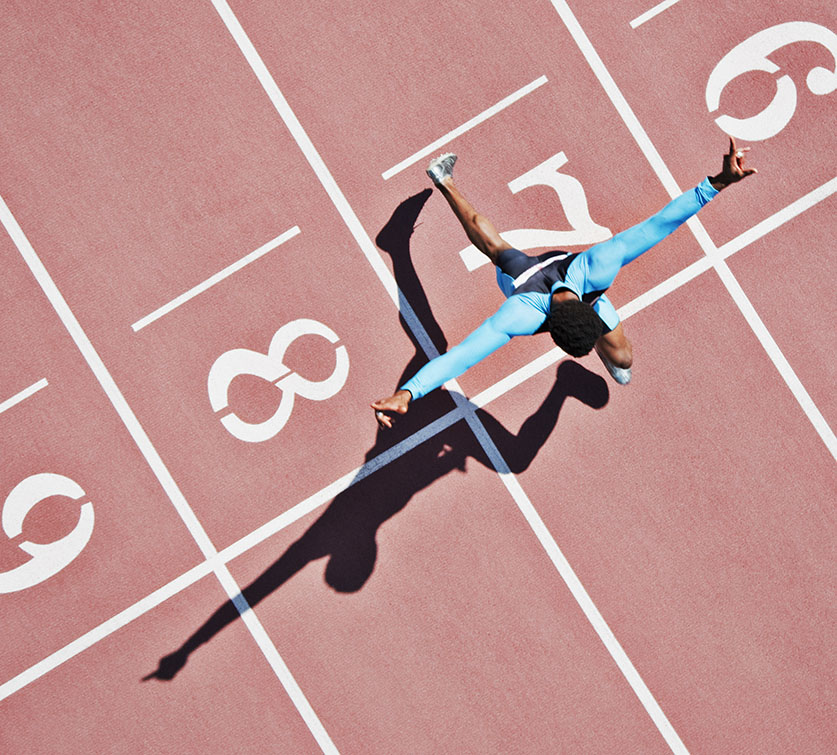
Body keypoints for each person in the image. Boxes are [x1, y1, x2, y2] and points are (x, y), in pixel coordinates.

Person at [372, 138, 756, 428]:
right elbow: (461, 356)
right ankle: (445, 180)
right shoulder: (520, 313)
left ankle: (430, 199)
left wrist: (719, 182)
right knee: (495, 248)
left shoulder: (599, 267)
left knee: (620, 359)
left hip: (570, 285)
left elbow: (659, 225)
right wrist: (410, 392)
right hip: (523, 283)